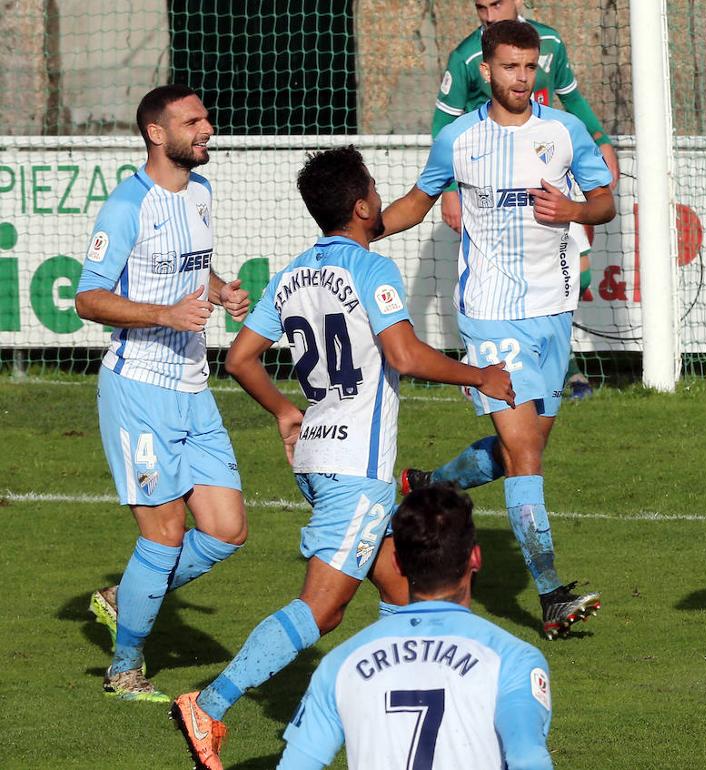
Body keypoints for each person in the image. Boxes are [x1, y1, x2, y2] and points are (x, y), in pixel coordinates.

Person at [170, 145, 514, 770]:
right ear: (360, 207)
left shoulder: (294, 272)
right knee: (322, 611)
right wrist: (479, 375)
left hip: (316, 458)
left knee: (406, 594)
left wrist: (282, 409)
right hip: (356, 470)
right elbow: (405, 356)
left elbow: (239, 359)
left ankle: (412, 715)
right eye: (376, 191)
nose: (382, 200)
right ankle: (209, 704)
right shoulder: (371, 270)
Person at [379, 19, 615, 640]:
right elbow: (417, 200)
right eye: (510, 67)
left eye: (530, 67)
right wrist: (364, 229)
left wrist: (575, 210)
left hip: (554, 310)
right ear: (485, 70)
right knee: (526, 453)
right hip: (490, 312)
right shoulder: (458, 139)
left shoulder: (562, 132)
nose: (521, 78)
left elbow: (604, 200)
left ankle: (428, 485)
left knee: (522, 450)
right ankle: (550, 594)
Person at [75, 84, 251, 703]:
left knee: (227, 530)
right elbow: (87, 298)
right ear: (157, 133)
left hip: (192, 389)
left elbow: (190, 264)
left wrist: (222, 289)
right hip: (139, 390)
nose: (207, 128)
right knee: (165, 534)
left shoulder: (200, 192)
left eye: (205, 117)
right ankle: (123, 670)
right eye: (193, 121)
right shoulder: (127, 205)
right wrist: (162, 315)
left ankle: (127, 596)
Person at [276, 484, 554, 770]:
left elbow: (296, 765)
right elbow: (527, 759)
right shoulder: (513, 660)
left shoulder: (340, 664)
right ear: (475, 558)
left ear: (397, 562)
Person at [434, 0, 617, 399]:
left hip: (551, 170)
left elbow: (573, 97)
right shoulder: (467, 56)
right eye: (480, 7)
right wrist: (449, 190)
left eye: (494, 4)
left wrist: (600, 141)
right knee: (497, 278)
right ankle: (493, 359)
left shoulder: (548, 42)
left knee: (577, 273)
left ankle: (553, 362)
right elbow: (443, 121)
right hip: (491, 178)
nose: (487, 15)